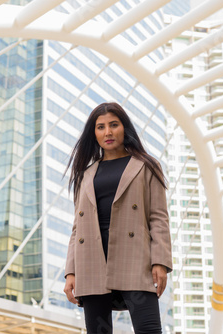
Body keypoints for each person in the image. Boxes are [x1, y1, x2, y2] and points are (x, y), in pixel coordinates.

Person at [63, 102, 172, 334]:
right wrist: (71, 272)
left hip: (135, 257)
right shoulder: (85, 174)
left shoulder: (147, 166)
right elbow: (77, 228)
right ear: (94, 134)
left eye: (114, 125)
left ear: (125, 128)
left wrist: (160, 261)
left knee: (149, 329)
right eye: (101, 127)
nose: (108, 132)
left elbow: (158, 217)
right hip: (91, 259)